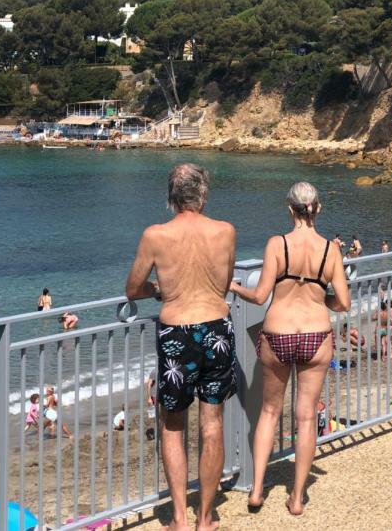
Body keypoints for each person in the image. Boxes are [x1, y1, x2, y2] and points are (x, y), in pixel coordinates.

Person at [125, 163, 236, 531]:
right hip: (217, 326)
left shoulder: (155, 235)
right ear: (203, 194)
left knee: (173, 427)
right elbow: (223, 282)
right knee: (212, 423)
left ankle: (179, 518)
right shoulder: (225, 231)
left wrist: (158, 291)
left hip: (176, 332)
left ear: (171, 197)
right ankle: (206, 518)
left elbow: (133, 288)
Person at [230, 182, 350, 516]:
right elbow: (343, 302)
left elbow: (259, 296)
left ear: (289, 209)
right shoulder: (330, 250)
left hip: (278, 332)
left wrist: (233, 285)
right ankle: (297, 497)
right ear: (318, 209)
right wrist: (318, 296)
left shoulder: (277, 245)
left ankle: (255, 491)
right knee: (307, 416)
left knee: (269, 412)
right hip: (315, 333)